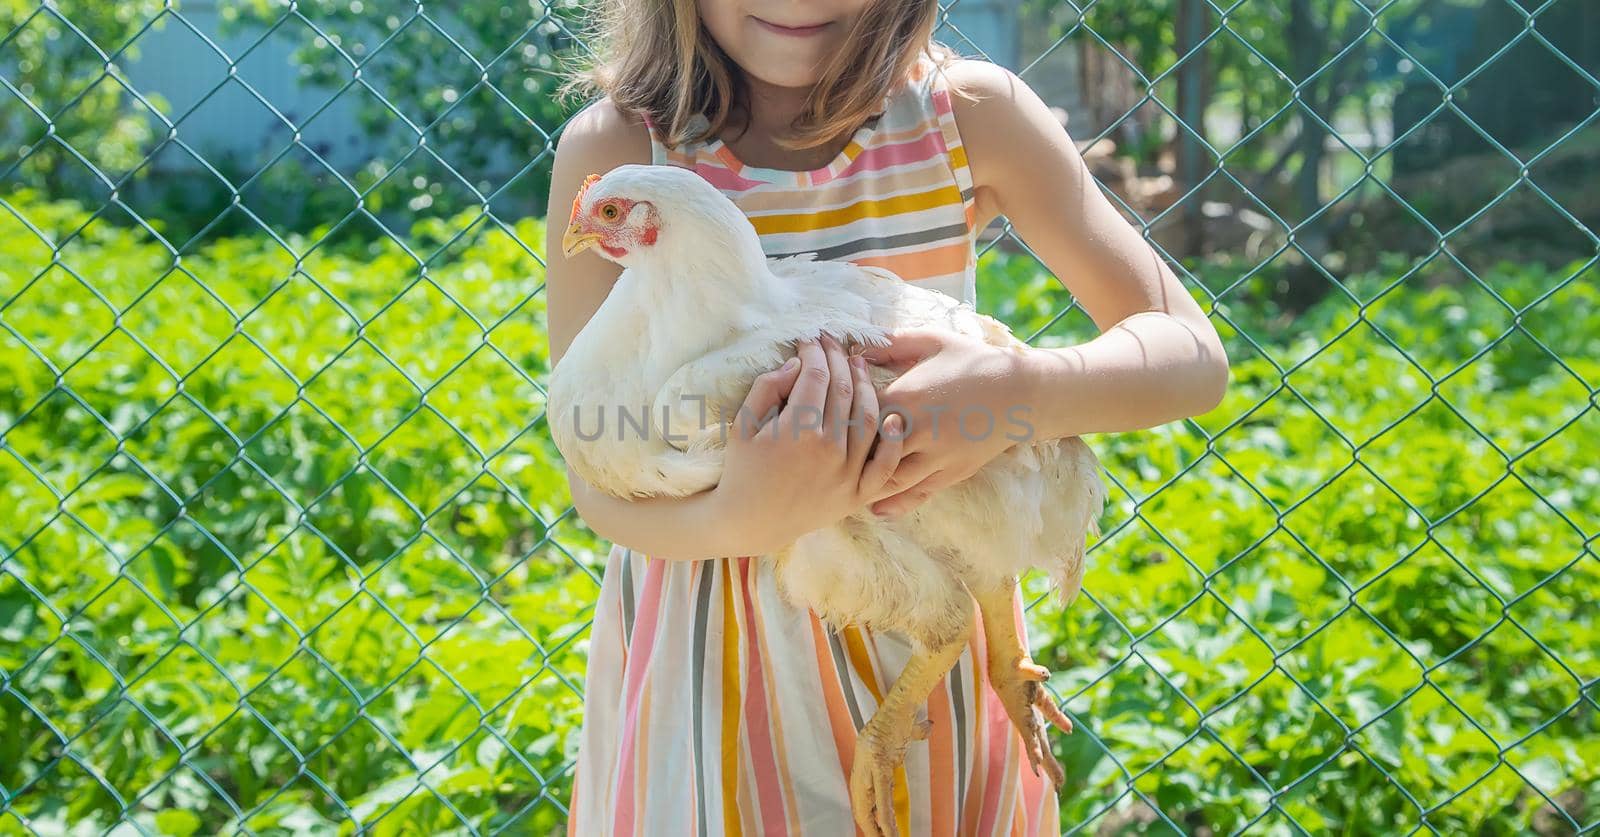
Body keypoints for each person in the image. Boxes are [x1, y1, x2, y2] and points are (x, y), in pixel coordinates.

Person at [545, 1, 1229, 833]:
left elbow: (1189, 354)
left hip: (932, 619)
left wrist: (1018, 392)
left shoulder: (970, 118)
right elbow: (597, 474)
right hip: (719, 656)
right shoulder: (623, 151)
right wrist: (744, 514)